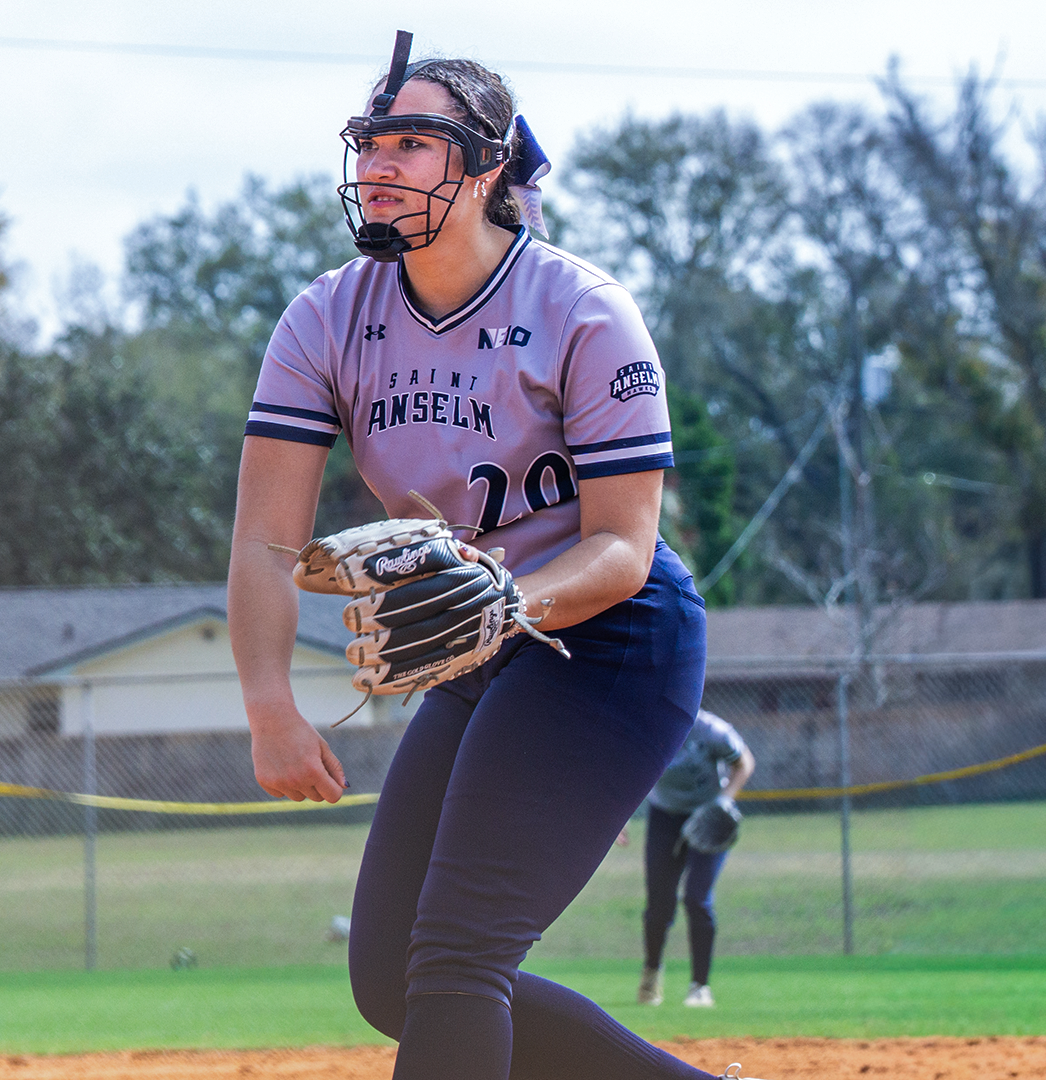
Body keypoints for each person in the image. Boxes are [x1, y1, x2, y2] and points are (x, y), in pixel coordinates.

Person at [227, 31, 758, 1080]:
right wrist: (269, 705)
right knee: (391, 979)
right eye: (371, 140)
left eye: (414, 143)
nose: (378, 163)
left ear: (488, 170)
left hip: (615, 643)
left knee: (460, 954)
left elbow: (622, 545)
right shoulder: (325, 318)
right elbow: (263, 536)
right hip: (483, 654)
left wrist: (506, 600)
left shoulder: (582, 309)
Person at [625, 709, 755, 1009]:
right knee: (659, 904)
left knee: (697, 898)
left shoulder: (711, 730)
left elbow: (744, 761)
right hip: (664, 818)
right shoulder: (649, 724)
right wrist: (619, 817)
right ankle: (652, 973)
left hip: (708, 815)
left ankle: (700, 986)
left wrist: (726, 798)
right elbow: (628, 770)